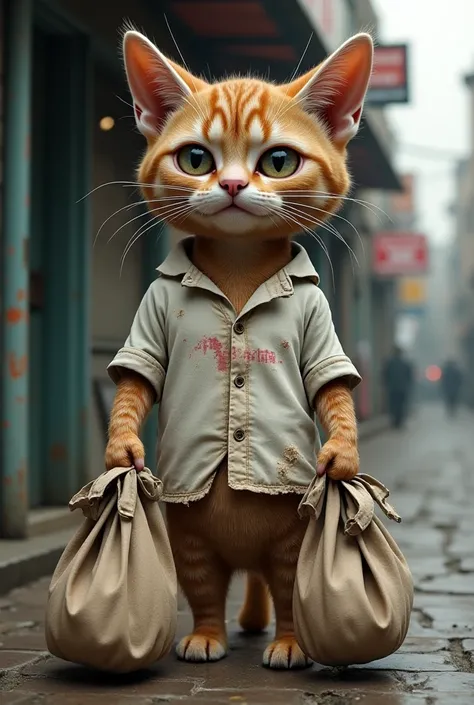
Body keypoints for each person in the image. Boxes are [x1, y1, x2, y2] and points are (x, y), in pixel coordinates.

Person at [383, 346, 414, 429]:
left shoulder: (389, 363)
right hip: (402, 389)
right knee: (401, 405)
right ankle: (399, 421)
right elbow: (409, 376)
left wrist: (386, 385)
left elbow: (385, 375)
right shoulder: (405, 364)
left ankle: (394, 421)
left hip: (392, 388)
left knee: (393, 405)